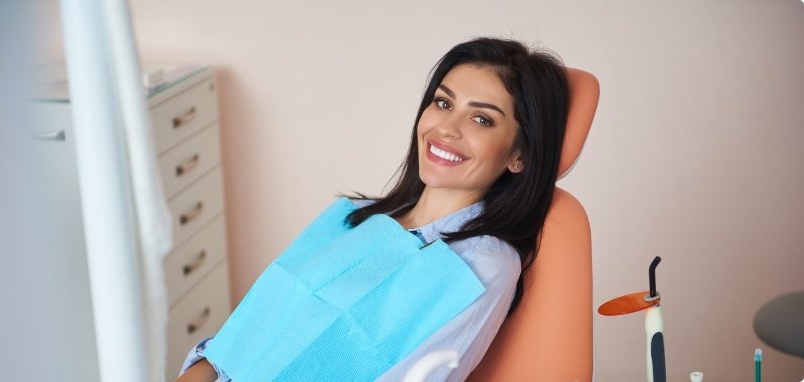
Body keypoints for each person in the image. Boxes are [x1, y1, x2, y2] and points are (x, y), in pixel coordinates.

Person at [178, 37, 573, 382]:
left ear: (519, 156)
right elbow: (239, 336)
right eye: (443, 102)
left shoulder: (479, 265)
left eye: (482, 118)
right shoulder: (349, 215)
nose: (446, 128)